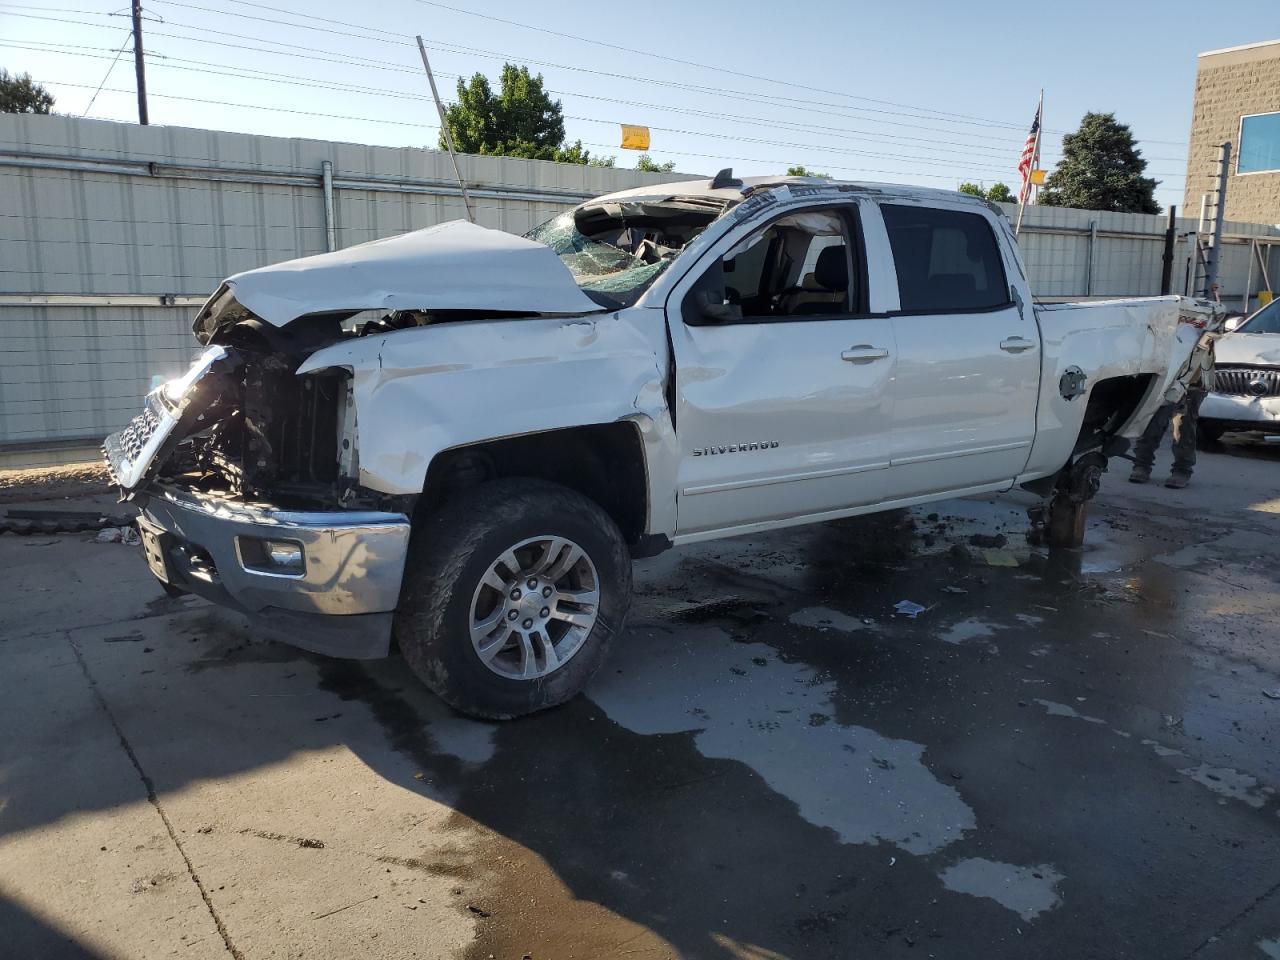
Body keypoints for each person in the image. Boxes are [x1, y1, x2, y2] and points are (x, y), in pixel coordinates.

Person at [1129, 316, 1219, 489]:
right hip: (1166, 376)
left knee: (1183, 426)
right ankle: (1141, 464)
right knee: (1153, 422)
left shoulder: (1207, 316)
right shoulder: (1168, 314)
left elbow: (1212, 336)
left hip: (1192, 380)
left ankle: (1182, 470)